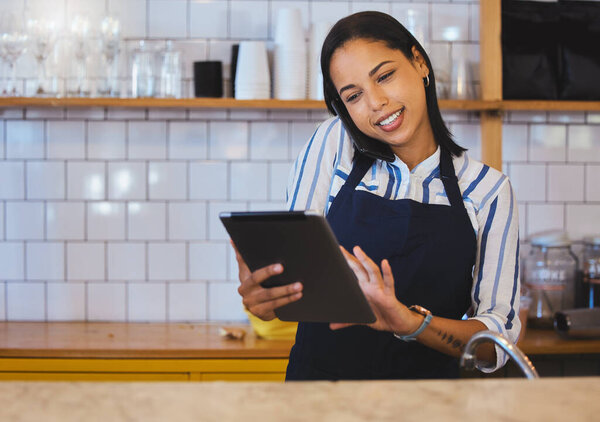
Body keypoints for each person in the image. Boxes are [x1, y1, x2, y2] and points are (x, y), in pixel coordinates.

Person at [234, 11, 520, 380]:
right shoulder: (334, 145)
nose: (376, 103)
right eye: (354, 96)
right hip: (318, 396)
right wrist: (266, 299)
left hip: (428, 405)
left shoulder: (489, 190)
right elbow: (295, 278)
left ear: (419, 62)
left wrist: (411, 322)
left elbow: (495, 344)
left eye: (384, 76)